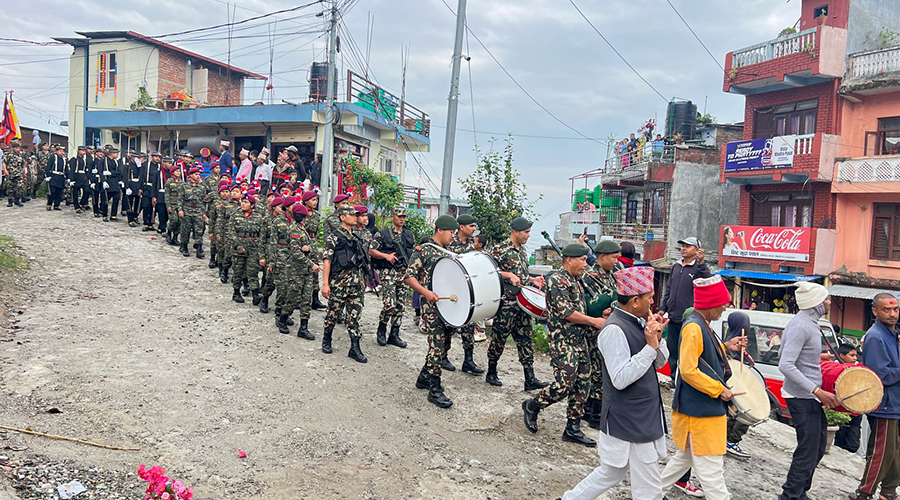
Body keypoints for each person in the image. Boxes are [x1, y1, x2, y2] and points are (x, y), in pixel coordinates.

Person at [560, 266, 669, 500]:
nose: (653, 303)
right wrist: (649, 348)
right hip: (631, 418)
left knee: (611, 472)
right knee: (649, 489)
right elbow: (620, 378)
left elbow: (659, 363)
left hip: (639, 415)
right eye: (650, 298)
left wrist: (657, 339)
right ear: (636, 301)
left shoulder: (640, 322)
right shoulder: (614, 330)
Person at [660, 275, 747, 500]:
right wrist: (719, 390)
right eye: (722, 305)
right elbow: (688, 370)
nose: (724, 310)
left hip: (698, 410)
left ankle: (648, 495)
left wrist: (726, 347)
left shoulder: (702, 324)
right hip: (699, 412)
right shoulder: (694, 328)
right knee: (712, 475)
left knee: (682, 462)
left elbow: (704, 358)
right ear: (711, 304)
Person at [522, 243, 606, 447]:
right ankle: (533, 405)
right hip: (563, 341)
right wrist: (594, 321)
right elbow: (566, 313)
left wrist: (599, 315)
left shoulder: (576, 280)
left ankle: (572, 428)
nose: (586, 264)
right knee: (564, 384)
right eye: (583, 260)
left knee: (583, 384)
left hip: (580, 340)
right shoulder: (557, 280)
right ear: (570, 259)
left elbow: (582, 308)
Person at [777, 282, 840, 500]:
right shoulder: (801, 326)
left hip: (808, 396)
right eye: (826, 299)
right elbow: (785, 364)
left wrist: (816, 358)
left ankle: (800, 491)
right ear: (816, 303)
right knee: (808, 450)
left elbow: (789, 356)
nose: (829, 302)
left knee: (818, 447)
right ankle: (791, 495)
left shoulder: (810, 324)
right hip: (802, 397)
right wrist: (817, 390)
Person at [486, 217, 549, 391]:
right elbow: (487, 272)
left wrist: (532, 279)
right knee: (499, 338)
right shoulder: (500, 249)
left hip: (523, 303)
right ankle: (491, 372)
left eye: (529, 232)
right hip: (506, 304)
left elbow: (520, 276)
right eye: (526, 232)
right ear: (515, 231)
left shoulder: (522, 251)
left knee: (525, 340)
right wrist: (507, 275)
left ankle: (530, 378)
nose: (528, 235)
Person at [851, 293, 900, 500]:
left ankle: (889, 491)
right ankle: (864, 491)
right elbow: (880, 375)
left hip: (895, 402)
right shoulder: (876, 336)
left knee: (895, 452)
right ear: (875, 311)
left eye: (895, 309)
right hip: (884, 403)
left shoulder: (892, 333)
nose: (892, 314)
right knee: (882, 450)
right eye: (886, 310)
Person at [408, 215, 460, 408]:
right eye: (451, 232)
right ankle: (434, 390)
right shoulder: (424, 250)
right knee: (437, 347)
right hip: (431, 307)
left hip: (448, 306)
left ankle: (424, 376)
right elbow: (409, 276)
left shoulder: (449, 253)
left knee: (444, 345)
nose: (453, 236)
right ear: (440, 230)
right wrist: (426, 292)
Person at [581, 239, 621, 429]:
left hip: (607, 328)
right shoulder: (589, 276)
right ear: (602, 257)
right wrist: (603, 308)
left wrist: (611, 305)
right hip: (593, 331)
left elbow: (616, 298)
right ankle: (593, 414)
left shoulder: (611, 275)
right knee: (596, 372)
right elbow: (589, 304)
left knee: (601, 370)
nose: (616, 261)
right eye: (613, 257)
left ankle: (591, 410)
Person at [322, 205, 368, 363]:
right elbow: (327, 261)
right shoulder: (334, 237)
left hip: (356, 284)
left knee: (354, 316)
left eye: (357, 215)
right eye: (352, 215)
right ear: (342, 217)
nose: (355, 217)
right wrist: (325, 284)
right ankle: (326, 339)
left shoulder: (356, 238)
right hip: (339, 283)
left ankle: (355, 348)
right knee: (333, 313)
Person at [660, 237, 711, 376]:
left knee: (686, 351)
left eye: (688, 246)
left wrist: (701, 263)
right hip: (672, 317)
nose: (683, 248)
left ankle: (683, 378)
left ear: (697, 250)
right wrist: (662, 309)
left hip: (688, 318)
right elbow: (669, 290)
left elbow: (708, 282)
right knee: (673, 351)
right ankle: (673, 377)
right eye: (682, 246)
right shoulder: (676, 266)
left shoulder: (698, 268)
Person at [370, 206, 415, 349]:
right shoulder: (383, 234)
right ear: (393, 216)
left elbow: (412, 251)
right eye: (399, 216)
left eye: (404, 217)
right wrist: (386, 256)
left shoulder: (408, 234)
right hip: (388, 272)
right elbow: (371, 250)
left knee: (400, 305)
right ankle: (382, 329)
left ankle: (394, 335)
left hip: (404, 272)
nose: (402, 219)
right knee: (390, 304)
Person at [444, 213, 483, 373]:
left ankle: (468, 360)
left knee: (469, 325)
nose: (474, 229)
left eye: (475, 226)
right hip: (452, 291)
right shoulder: (449, 244)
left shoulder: (472, 246)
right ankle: (442, 356)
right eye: (471, 226)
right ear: (461, 227)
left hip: (468, 291)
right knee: (449, 326)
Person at [279, 203, 318, 340]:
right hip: (296, 270)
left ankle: (303, 328)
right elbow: (296, 252)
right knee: (293, 297)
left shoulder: (302, 228)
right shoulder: (294, 229)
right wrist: (311, 263)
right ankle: (282, 319)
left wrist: (308, 249)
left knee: (307, 298)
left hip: (305, 270)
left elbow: (309, 246)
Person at [724, 311, 753, 459]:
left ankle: (728, 439)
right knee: (743, 413)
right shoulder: (728, 343)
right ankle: (731, 441)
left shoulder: (735, 341)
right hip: (731, 386)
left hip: (738, 384)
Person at [229, 193, 263, 303]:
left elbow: (261, 233)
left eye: (246, 202)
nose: (243, 204)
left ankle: (255, 294)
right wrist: (238, 245)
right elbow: (231, 233)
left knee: (253, 271)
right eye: (242, 202)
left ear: (252, 205)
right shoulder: (235, 215)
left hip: (253, 248)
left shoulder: (258, 217)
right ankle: (236, 292)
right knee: (238, 271)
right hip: (238, 248)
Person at [831, 343, 863, 454]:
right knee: (839, 440)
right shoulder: (834, 368)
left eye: (855, 355)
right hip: (840, 409)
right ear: (842, 356)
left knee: (853, 444)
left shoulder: (859, 369)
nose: (855, 358)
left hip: (855, 410)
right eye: (852, 355)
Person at [302, 191, 326, 311]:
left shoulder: (316, 215)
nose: (315, 202)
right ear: (306, 201)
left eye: (316, 200)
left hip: (313, 243)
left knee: (315, 271)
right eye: (312, 200)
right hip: (302, 243)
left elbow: (316, 232)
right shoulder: (301, 214)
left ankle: (315, 298)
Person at [177, 167, 207, 259]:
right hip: (187, 210)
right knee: (185, 230)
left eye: (199, 174)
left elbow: (203, 201)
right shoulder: (184, 186)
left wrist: (204, 212)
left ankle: (199, 248)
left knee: (199, 230)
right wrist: (180, 210)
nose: (198, 176)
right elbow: (180, 199)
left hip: (198, 211)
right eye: (196, 174)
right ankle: (184, 246)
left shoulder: (202, 187)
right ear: (190, 176)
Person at [102, 147, 124, 222]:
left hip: (115, 182)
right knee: (105, 200)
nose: (117, 155)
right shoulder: (104, 161)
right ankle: (104, 215)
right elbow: (101, 172)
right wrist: (103, 181)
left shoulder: (116, 161)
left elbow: (119, 172)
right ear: (112, 154)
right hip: (108, 182)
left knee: (117, 199)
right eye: (116, 153)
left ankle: (113, 215)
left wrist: (112, 174)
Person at [45, 145, 67, 211]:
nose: (62, 153)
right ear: (56, 151)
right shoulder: (53, 157)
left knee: (59, 192)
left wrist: (68, 177)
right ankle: (49, 204)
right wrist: (48, 175)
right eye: (60, 151)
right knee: (52, 191)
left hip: (61, 176)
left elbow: (66, 169)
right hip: (54, 176)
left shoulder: (64, 159)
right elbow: (48, 166)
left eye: (63, 151)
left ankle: (57, 205)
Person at [164, 166, 183, 243]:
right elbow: (167, 195)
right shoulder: (169, 181)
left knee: (180, 221)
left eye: (179, 171)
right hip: (172, 204)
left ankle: (175, 237)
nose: (178, 172)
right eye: (176, 171)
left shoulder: (182, 182)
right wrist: (168, 205)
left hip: (179, 205)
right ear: (172, 173)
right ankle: (168, 233)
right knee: (174, 220)